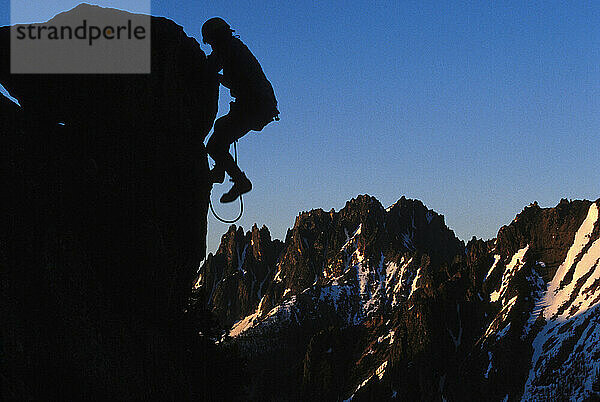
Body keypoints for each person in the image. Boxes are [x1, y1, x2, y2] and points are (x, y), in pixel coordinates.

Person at [203, 17, 279, 203]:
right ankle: (221, 172)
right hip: (259, 105)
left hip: (254, 105)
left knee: (214, 145)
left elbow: (212, 66)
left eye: (211, 41)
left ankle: (240, 181)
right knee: (221, 128)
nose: (211, 46)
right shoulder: (234, 47)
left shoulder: (227, 49)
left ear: (215, 37)